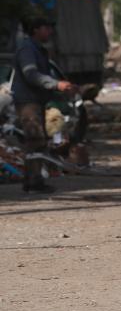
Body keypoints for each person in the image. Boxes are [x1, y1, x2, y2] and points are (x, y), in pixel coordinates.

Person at [11, 16, 75, 193]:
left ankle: (33, 181)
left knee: (38, 142)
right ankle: (33, 182)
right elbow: (31, 75)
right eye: (46, 28)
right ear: (35, 30)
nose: (50, 32)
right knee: (35, 139)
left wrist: (60, 88)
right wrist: (56, 84)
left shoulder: (38, 50)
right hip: (27, 102)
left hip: (36, 100)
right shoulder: (27, 49)